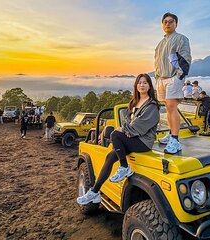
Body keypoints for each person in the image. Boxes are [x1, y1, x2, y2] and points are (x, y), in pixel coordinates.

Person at [77, 73, 160, 205]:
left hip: (144, 142)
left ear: (150, 86)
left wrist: (124, 130)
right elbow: (128, 122)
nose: (142, 85)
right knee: (110, 156)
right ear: (136, 86)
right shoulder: (133, 103)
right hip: (133, 139)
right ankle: (95, 192)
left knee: (115, 134)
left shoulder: (152, 106)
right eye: (139, 82)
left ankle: (124, 167)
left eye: (145, 82)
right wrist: (125, 130)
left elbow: (139, 127)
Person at [155, 12, 192, 154]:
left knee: (171, 106)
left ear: (176, 24)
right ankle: (171, 133)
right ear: (162, 24)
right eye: (165, 22)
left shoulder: (181, 39)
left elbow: (186, 57)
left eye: (171, 21)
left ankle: (175, 140)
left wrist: (179, 75)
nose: (168, 24)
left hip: (173, 77)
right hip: (161, 79)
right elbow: (157, 61)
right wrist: (157, 77)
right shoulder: (160, 43)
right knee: (168, 107)